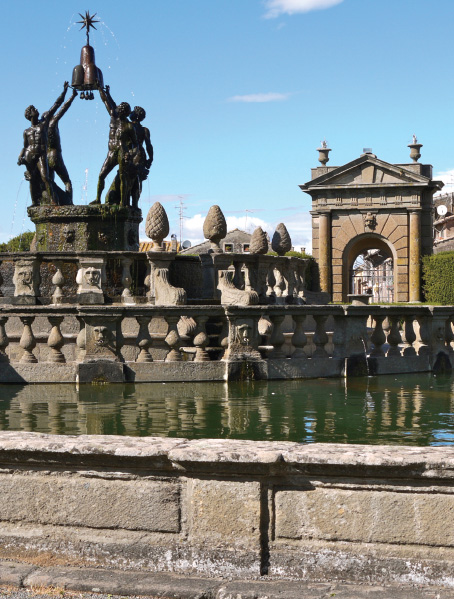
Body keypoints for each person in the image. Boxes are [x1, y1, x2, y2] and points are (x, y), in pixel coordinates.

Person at [18, 82, 70, 206]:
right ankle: (34, 202)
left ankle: (54, 201)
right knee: (32, 180)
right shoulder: (26, 131)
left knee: (45, 177)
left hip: (41, 154)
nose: (37, 110)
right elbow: (25, 146)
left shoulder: (44, 123)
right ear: (30, 115)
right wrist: (20, 156)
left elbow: (56, 106)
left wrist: (64, 92)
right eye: (34, 110)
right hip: (30, 155)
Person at [92, 84, 138, 205]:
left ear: (124, 112)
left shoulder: (129, 126)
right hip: (111, 152)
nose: (117, 109)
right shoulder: (113, 117)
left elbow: (136, 145)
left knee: (123, 177)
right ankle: (97, 199)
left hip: (122, 152)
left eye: (120, 109)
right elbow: (106, 102)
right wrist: (101, 90)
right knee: (101, 175)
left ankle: (123, 202)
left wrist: (130, 153)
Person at [47, 87, 78, 203]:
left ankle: (52, 201)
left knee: (49, 182)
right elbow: (63, 108)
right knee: (67, 182)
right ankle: (69, 203)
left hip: (46, 157)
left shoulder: (42, 128)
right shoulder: (53, 123)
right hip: (55, 155)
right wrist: (72, 96)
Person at [129, 106, 153, 208]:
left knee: (130, 179)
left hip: (130, 153)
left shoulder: (129, 126)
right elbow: (149, 146)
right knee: (138, 180)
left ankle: (128, 203)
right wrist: (150, 158)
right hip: (141, 155)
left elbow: (149, 145)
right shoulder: (145, 130)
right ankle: (134, 204)